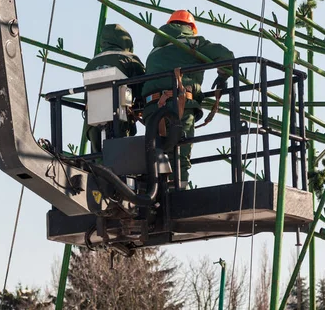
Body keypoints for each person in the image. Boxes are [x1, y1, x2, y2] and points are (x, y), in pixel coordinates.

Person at [141, 10, 234, 186]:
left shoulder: (153, 53)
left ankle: (155, 193)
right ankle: (178, 194)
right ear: (190, 27)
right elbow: (226, 55)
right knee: (180, 156)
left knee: (156, 155)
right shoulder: (193, 42)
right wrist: (222, 76)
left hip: (152, 109)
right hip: (179, 106)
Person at [84, 24, 145, 153]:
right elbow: (142, 89)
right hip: (120, 120)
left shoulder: (91, 63)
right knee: (120, 162)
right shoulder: (130, 59)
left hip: (93, 122)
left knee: (97, 163)